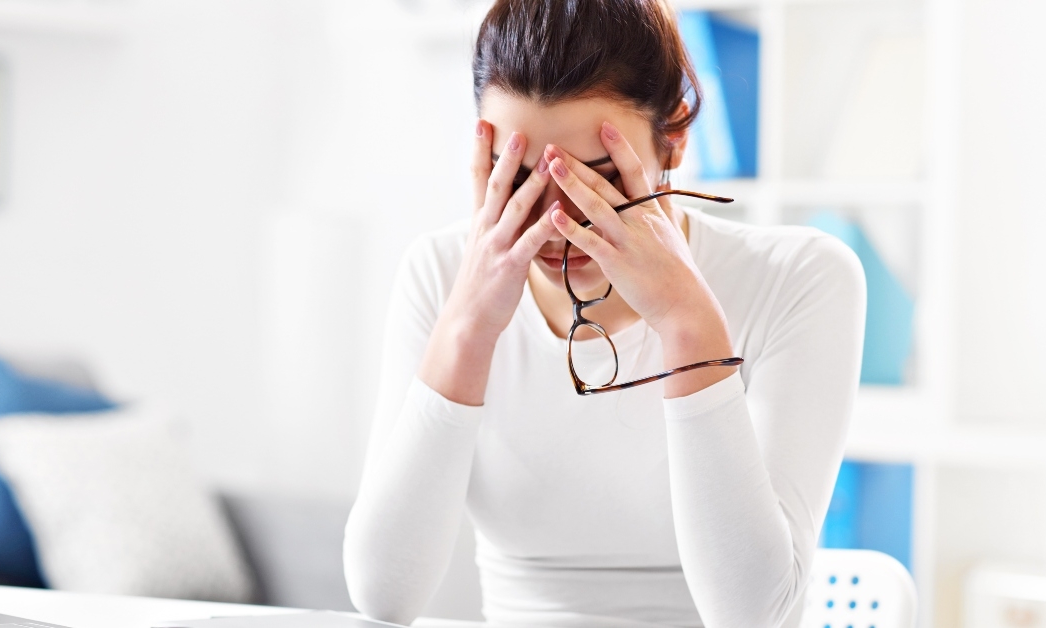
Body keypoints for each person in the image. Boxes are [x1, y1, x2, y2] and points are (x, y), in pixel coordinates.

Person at [343, 1, 865, 626]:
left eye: (596, 180)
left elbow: (751, 614)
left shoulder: (799, 279)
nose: (559, 224)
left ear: (672, 137)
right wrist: (470, 326)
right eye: (522, 182)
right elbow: (382, 597)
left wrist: (684, 318)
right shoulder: (438, 272)